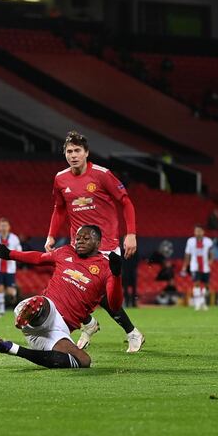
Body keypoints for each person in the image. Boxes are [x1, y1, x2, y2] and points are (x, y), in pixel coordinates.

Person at [45, 131, 144, 353]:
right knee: (69, 285)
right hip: (78, 245)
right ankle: (93, 324)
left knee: (103, 293)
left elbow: (126, 202)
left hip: (106, 244)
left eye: (77, 151)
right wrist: (51, 235)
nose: (73, 155)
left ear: (86, 153)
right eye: (69, 151)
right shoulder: (60, 178)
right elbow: (59, 209)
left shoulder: (102, 175)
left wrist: (131, 233)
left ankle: (127, 332)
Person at [0, 225, 122, 369]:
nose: (80, 241)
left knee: (83, 361)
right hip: (45, 311)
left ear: (98, 243)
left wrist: (117, 275)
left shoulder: (107, 267)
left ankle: (12, 348)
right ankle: (28, 313)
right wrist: (10, 254)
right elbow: (39, 258)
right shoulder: (65, 251)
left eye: (86, 238)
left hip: (58, 331)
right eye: (78, 238)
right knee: (42, 303)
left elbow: (115, 305)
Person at [180, 224, 214, 311]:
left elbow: (211, 252)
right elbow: (187, 254)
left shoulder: (208, 241)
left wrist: (211, 260)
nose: (198, 233)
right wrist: (185, 265)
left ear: (203, 232)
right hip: (195, 265)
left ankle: (202, 302)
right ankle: (197, 304)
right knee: (196, 283)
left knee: (206, 285)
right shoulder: (190, 241)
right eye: (196, 231)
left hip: (205, 266)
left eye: (199, 231)